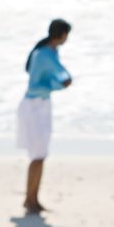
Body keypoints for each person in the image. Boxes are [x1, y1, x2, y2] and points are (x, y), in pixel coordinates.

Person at [18, 18, 72, 213]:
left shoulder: (48, 52)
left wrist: (61, 82)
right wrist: (62, 83)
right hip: (34, 105)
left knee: (40, 155)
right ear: (62, 34)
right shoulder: (44, 54)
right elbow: (59, 76)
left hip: (41, 104)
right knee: (38, 156)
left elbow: (58, 75)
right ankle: (29, 199)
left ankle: (33, 198)